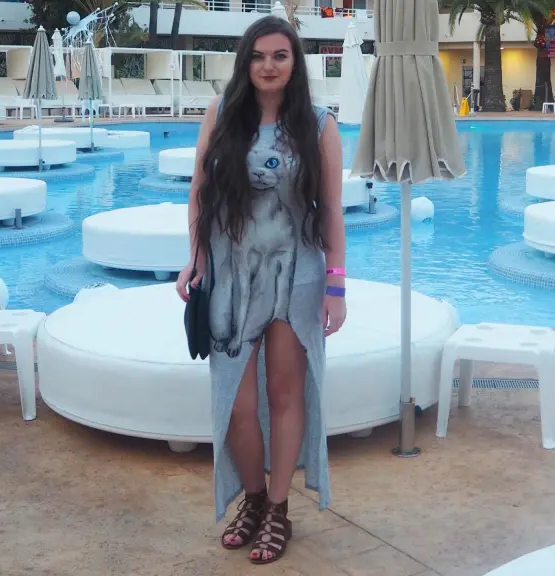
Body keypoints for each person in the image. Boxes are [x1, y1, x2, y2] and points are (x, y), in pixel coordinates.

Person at [175, 15, 347, 566]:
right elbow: (199, 192)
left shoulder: (318, 125)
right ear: (245, 62)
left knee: (286, 394)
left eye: (280, 55)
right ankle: (251, 497)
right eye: (258, 55)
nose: (268, 66)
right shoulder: (221, 114)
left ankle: (276, 509)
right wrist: (196, 258)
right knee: (238, 405)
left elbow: (332, 210)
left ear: (295, 64)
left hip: (297, 277)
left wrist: (336, 286)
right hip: (230, 276)